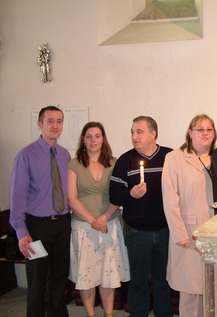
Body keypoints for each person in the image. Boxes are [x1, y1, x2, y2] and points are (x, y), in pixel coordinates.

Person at [162, 114, 217, 317]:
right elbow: (170, 199)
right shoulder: (175, 158)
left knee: (212, 290)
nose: (205, 133)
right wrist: (179, 233)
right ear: (190, 133)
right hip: (190, 234)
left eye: (209, 129)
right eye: (200, 129)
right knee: (190, 292)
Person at [9, 105, 71, 317]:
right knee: (38, 282)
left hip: (63, 225)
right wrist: (21, 232)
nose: (55, 125)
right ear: (40, 124)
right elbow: (17, 197)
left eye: (59, 121)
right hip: (37, 228)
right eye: (50, 121)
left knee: (59, 278)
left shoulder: (64, 155)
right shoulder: (25, 155)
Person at [109, 116, 174, 317]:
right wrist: (131, 194)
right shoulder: (125, 161)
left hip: (165, 230)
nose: (134, 136)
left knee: (163, 279)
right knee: (137, 281)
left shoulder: (170, 157)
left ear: (153, 133)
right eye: (132, 132)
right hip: (137, 232)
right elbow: (114, 195)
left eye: (139, 131)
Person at [67, 122, 130, 317]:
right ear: (83, 140)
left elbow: (118, 195)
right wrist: (92, 220)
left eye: (97, 136)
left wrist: (103, 218)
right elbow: (71, 197)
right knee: (86, 275)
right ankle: (90, 314)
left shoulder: (114, 162)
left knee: (107, 274)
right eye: (89, 136)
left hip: (109, 225)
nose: (93, 140)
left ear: (103, 139)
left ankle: (108, 314)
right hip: (83, 227)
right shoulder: (74, 163)